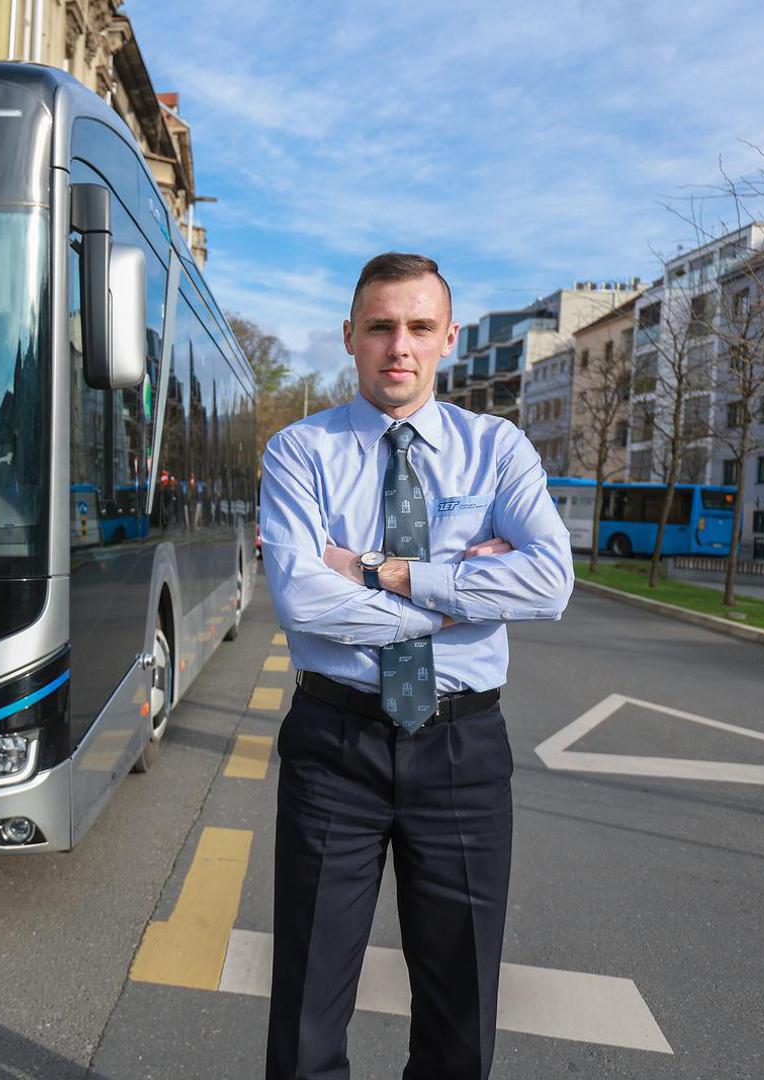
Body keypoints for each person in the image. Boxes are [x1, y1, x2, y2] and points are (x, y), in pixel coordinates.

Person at [259, 253, 573, 1079]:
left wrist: (385, 570)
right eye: (381, 327)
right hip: (336, 748)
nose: (400, 345)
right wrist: (463, 594)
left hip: (463, 755)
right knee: (305, 1019)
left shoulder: (497, 448)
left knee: (460, 1022)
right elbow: (300, 599)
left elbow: (548, 581)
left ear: (448, 339)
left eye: (419, 327)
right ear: (352, 338)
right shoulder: (299, 452)